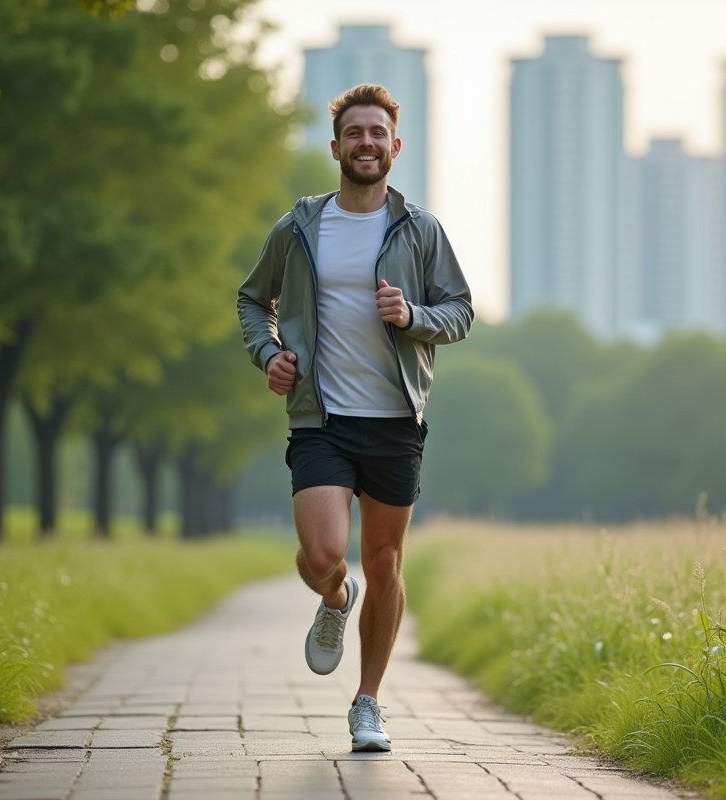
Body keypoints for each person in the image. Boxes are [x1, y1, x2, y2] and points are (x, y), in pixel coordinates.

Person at [237, 84, 473, 752]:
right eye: (355, 133)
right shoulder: (301, 226)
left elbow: (459, 310)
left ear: (394, 148)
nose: (367, 143)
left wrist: (413, 316)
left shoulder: (421, 229)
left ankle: (368, 703)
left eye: (378, 133)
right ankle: (337, 600)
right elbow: (254, 301)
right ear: (336, 146)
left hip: (396, 420)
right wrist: (269, 355)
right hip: (322, 417)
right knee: (322, 556)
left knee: (386, 558)